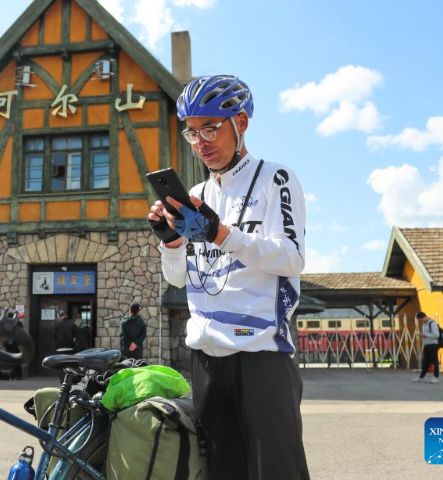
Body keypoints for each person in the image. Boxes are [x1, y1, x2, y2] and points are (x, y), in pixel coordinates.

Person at [148, 75, 309, 479]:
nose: (200, 141)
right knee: (221, 472)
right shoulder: (199, 192)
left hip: (261, 356)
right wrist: (170, 243)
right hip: (206, 358)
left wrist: (221, 234)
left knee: (276, 472)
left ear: (241, 122)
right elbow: (179, 281)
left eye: (210, 128)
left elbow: (292, 258)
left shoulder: (276, 178)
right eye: (192, 132)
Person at [413, 312, 440, 384]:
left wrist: (425, 335)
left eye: (421, 319)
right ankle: (421, 377)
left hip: (433, 344)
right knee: (425, 362)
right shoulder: (424, 325)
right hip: (427, 344)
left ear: (425, 317)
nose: (421, 321)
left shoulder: (432, 324)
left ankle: (436, 377)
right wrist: (422, 336)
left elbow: (436, 335)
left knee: (434, 361)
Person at [53, 311, 77, 382]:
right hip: (70, 348)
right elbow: (75, 336)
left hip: (60, 349)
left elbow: (54, 336)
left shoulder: (57, 324)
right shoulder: (72, 324)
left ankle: (62, 382)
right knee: (69, 367)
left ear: (60, 317)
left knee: (61, 367)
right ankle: (68, 382)